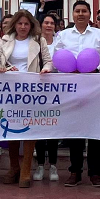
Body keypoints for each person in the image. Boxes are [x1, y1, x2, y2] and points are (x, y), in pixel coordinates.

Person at [54, 0, 100, 187]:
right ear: (72, 13)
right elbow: (57, 59)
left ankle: (95, 172)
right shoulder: (63, 35)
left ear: (89, 13)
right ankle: (75, 171)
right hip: (71, 87)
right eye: (77, 11)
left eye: (84, 11)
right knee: (75, 130)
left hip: (94, 86)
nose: (80, 14)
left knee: (94, 129)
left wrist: (90, 69)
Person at [0, 10, 53, 188]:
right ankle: (14, 167)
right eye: (19, 23)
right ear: (15, 24)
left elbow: (48, 61)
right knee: (11, 127)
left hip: (31, 89)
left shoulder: (38, 40)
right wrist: (3, 68)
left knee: (28, 127)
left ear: (31, 25)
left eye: (26, 24)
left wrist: (46, 69)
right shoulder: (6, 40)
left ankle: (26, 169)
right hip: (10, 89)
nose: (22, 27)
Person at [34, 12, 62, 181]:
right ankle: (39, 166)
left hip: (55, 92)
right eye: (46, 22)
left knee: (53, 130)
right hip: (37, 92)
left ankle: (53, 166)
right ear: (41, 24)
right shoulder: (34, 43)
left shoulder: (60, 43)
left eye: (52, 23)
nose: (49, 25)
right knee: (39, 130)